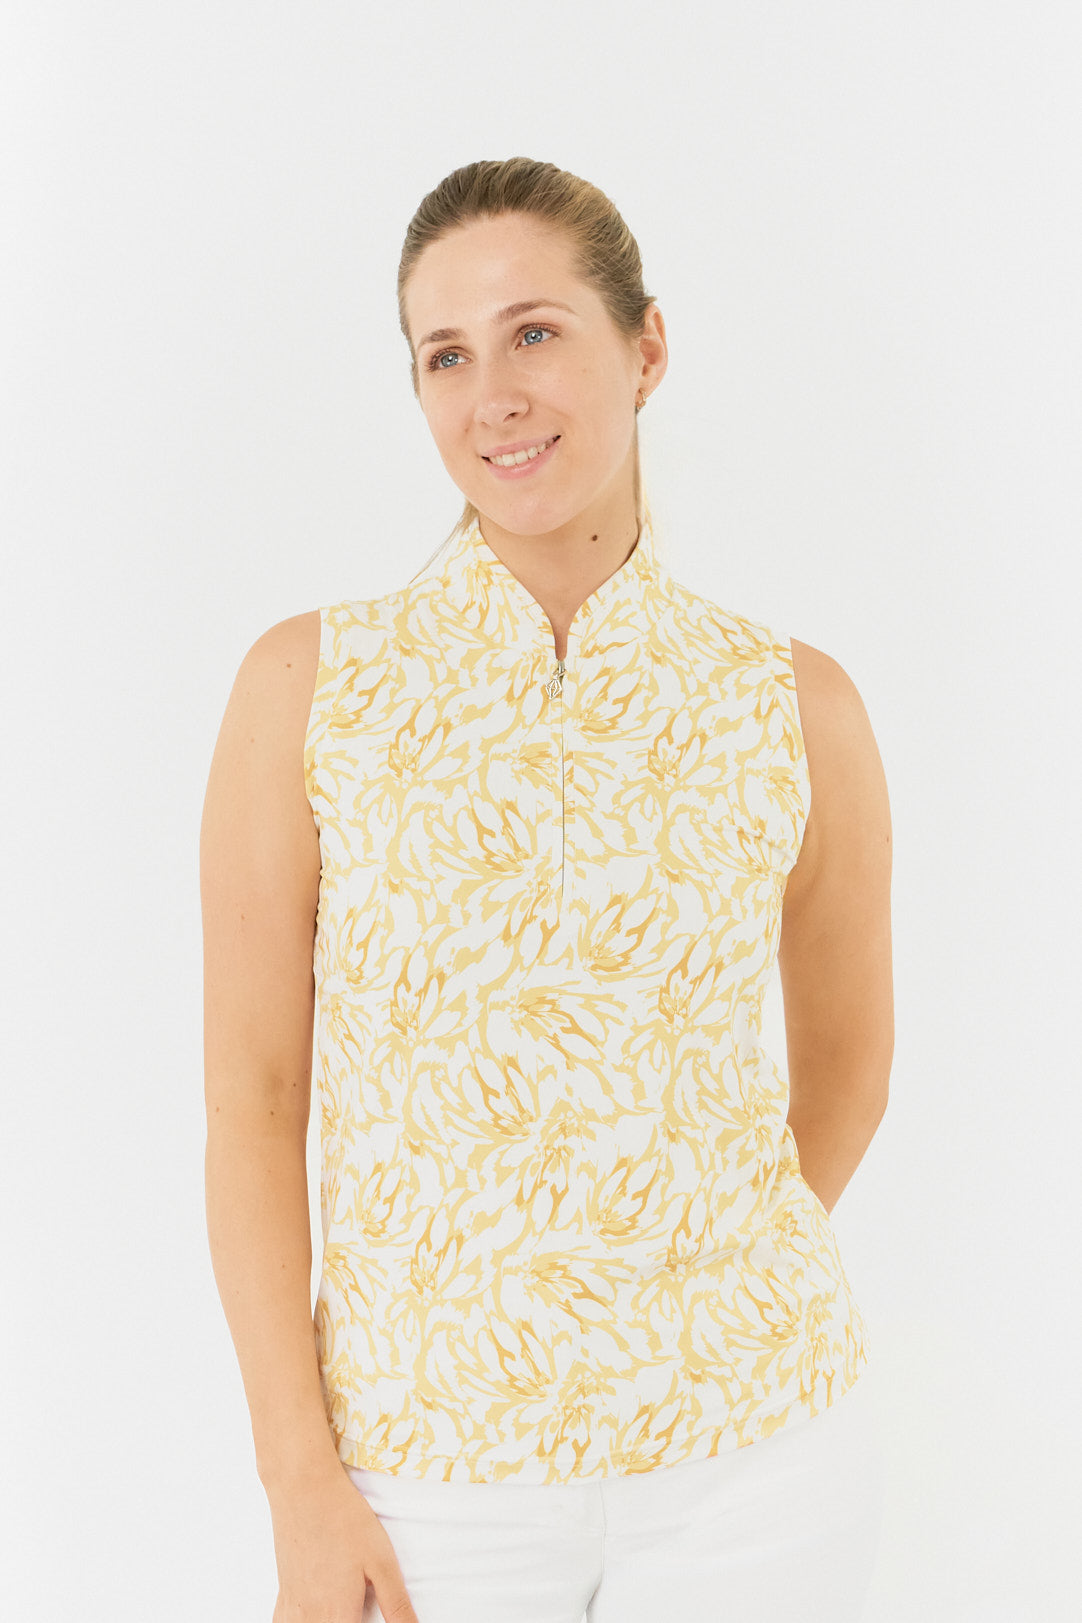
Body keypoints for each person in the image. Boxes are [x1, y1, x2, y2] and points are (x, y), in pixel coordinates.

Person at [201, 157, 894, 1623]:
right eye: (445, 356)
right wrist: (298, 1483)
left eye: (534, 332)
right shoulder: (311, 689)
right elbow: (254, 1104)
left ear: (646, 348)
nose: (493, 396)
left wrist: (675, 1278)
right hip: (421, 1477)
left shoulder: (792, 703)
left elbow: (847, 1066)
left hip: (756, 1460)